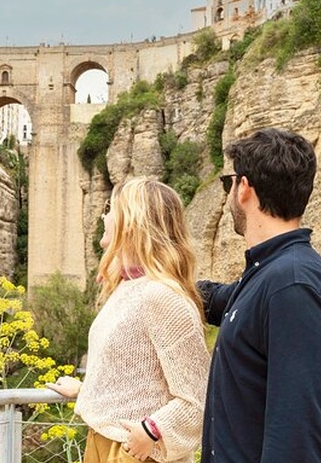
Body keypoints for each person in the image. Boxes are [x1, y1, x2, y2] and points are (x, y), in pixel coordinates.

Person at [198, 128, 321, 462]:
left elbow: (296, 441)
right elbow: (222, 300)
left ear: (244, 188)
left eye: (228, 183)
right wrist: (165, 280)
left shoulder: (292, 285)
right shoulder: (270, 274)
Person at [48, 178, 210, 463]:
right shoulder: (129, 286)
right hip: (104, 440)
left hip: (136, 451)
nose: (103, 216)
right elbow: (140, 377)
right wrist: (86, 391)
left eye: (110, 209)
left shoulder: (162, 295)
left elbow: (198, 397)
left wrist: (151, 431)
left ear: (132, 222)